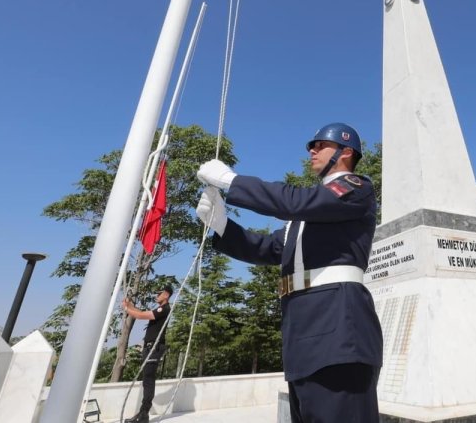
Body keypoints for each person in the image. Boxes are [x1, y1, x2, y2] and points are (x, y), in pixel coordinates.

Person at [196, 122, 383, 423]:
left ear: (346, 151)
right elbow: (268, 249)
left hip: (338, 331)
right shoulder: (307, 217)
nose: (312, 150)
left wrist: (233, 182)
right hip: (303, 335)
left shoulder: (354, 188)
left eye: (320, 145)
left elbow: (295, 202)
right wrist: (221, 225)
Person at [121, 285, 173, 423]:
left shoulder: (164, 309)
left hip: (154, 348)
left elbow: (141, 315)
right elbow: (140, 312)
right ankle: (142, 414)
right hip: (150, 348)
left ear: (166, 295)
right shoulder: (159, 310)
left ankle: (144, 416)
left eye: (159, 293)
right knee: (146, 380)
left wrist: (127, 309)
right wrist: (130, 305)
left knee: (148, 381)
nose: (157, 295)